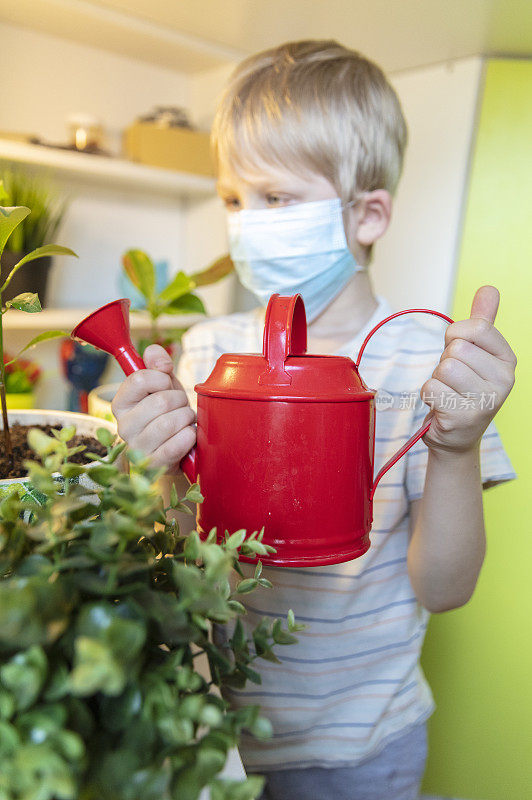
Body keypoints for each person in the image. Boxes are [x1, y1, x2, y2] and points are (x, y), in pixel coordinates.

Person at [112, 40, 517, 800]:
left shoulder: (432, 366)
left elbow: (445, 589)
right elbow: (172, 559)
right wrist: (153, 469)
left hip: (365, 747)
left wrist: (457, 447)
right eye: (233, 200)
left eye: (274, 200)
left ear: (367, 214)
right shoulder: (208, 355)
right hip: (212, 730)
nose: (244, 223)